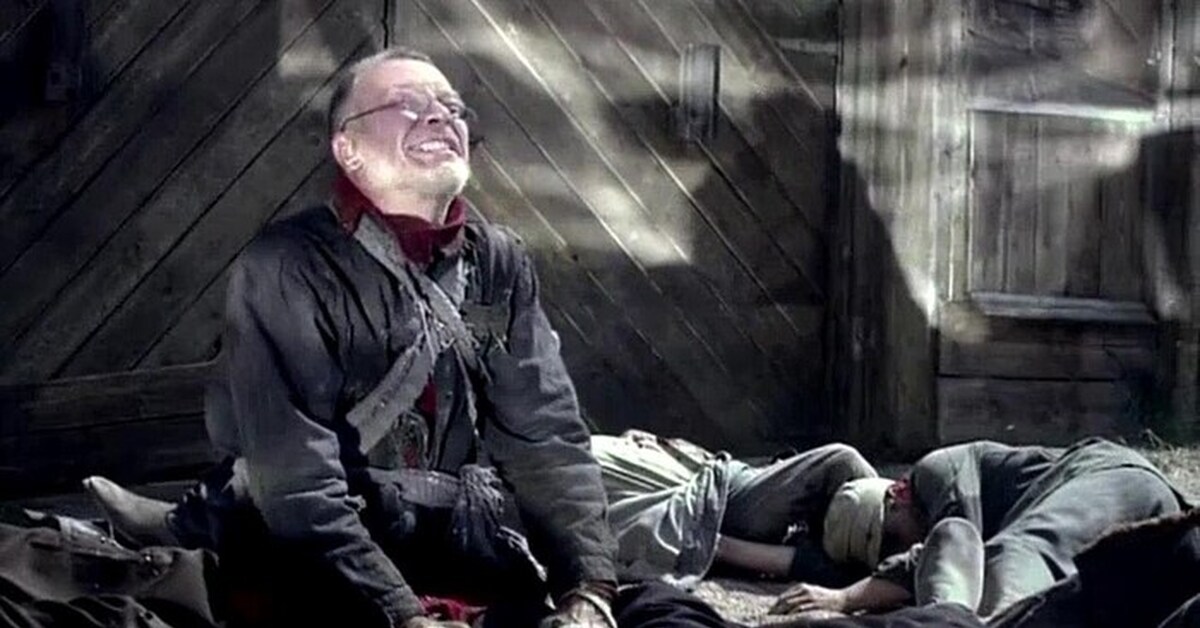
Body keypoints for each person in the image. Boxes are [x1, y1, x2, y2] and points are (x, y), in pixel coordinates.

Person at [86, 46, 617, 628]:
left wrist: (587, 588)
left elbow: (546, 437)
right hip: (325, 560)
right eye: (406, 105)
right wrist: (403, 615)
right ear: (349, 150)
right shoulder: (286, 266)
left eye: (452, 107)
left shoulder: (499, 260)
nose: (440, 116)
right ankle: (201, 518)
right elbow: (298, 481)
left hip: (464, 543)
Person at [770, 438, 1192, 621]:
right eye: (885, 553)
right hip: (1146, 535)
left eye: (893, 537)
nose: (903, 549)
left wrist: (846, 598)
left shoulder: (936, 473)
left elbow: (963, 546)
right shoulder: (923, 508)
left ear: (898, 493)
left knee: (1014, 553)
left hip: (1114, 478)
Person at [591, 430, 877, 586]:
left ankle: (887, 556)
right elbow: (721, 546)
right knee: (842, 460)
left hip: (713, 485)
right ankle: (888, 564)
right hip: (719, 498)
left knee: (844, 466)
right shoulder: (576, 463)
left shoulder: (579, 448)